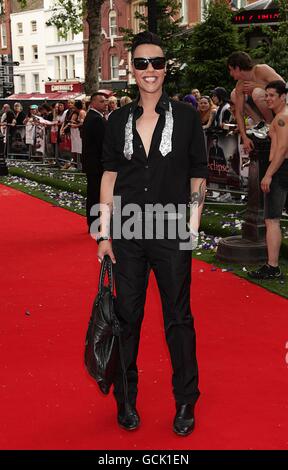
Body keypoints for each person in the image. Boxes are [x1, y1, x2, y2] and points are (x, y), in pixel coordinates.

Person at [96, 31, 207, 436]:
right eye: (141, 63)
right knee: (127, 320)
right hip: (126, 232)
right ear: (131, 68)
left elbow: (198, 176)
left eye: (156, 63)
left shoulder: (189, 118)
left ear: (166, 67)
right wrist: (103, 235)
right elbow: (108, 177)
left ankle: (185, 402)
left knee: (178, 320)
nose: (149, 71)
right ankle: (126, 401)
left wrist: (191, 228)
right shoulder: (117, 120)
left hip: (171, 230)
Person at [248, 80, 288, 280]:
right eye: (267, 95)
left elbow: (282, 150)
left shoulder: (281, 118)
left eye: (272, 95)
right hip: (281, 170)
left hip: (279, 170)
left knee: (271, 220)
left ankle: (272, 266)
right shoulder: (281, 117)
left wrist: (269, 174)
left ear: (283, 96)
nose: (268, 99)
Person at [227, 51, 284, 153]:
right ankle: (259, 123)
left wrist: (259, 86)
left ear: (238, 68)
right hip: (261, 111)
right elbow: (239, 113)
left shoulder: (262, 69)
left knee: (257, 93)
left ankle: (269, 124)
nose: (230, 74)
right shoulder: (240, 85)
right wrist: (244, 138)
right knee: (234, 95)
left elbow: (284, 88)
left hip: (280, 111)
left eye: (231, 70)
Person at [82, 92, 107, 229]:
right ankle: (95, 222)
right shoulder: (96, 119)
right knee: (96, 194)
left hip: (93, 163)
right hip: (97, 164)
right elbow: (102, 143)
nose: (106, 103)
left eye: (106, 101)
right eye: (102, 101)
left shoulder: (92, 116)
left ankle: (94, 221)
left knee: (94, 193)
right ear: (93, 103)